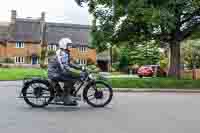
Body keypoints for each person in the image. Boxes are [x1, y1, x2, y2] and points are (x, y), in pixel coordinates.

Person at [48, 38, 83, 106]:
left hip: (57, 71)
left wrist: (80, 67)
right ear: (64, 45)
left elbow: (70, 63)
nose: (70, 46)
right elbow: (66, 67)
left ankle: (66, 94)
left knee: (72, 76)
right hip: (54, 73)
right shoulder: (62, 53)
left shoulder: (65, 52)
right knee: (71, 79)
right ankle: (65, 98)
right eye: (69, 45)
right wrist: (77, 72)